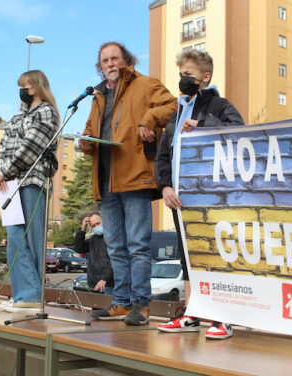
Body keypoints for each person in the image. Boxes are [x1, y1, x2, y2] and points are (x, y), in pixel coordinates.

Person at [79, 41, 176, 326]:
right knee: (115, 247)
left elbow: (173, 106)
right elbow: (90, 130)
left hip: (135, 177)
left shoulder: (145, 85)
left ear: (126, 61)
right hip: (107, 180)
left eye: (114, 58)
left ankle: (141, 305)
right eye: (105, 60)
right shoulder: (97, 95)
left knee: (138, 246)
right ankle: (120, 302)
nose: (110, 64)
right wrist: (85, 142)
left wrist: (149, 118)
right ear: (100, 66)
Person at [154, 49, 244, 340]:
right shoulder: (176, 110)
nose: (183, 80)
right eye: (181, 75)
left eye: (189, 75)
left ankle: (223, 318)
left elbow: (240, 132)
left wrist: (204, 125)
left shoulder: (219, 105)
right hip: (181, 198)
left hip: (212, 195)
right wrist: (165, 186)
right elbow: (163, 154)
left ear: (205, 77)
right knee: (188, 257)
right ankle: (191, 313)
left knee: (215, 254)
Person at [0, 70, 60, 312]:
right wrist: (0, 171)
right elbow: (4, 146)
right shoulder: (17, 116)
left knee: (33, 239)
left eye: (26, 86)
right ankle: (24, 293)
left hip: (32, 181)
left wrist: (5, 171)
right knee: (14, 240)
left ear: (38, 87)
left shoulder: (46, 112)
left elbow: (31, 146)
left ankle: (32, 294)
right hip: (10, 184)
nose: (22, 90)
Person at [73, 213, 114, 295]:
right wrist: (82, 230)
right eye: (93, 225)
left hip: (108, 284)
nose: (96, 227)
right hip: (93, 283)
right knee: (95, 305)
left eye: (98, 223)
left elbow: (116, 261)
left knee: (108, 306)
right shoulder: (93, 239)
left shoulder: (113, 237)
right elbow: (79, 248)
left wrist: (105, 279)